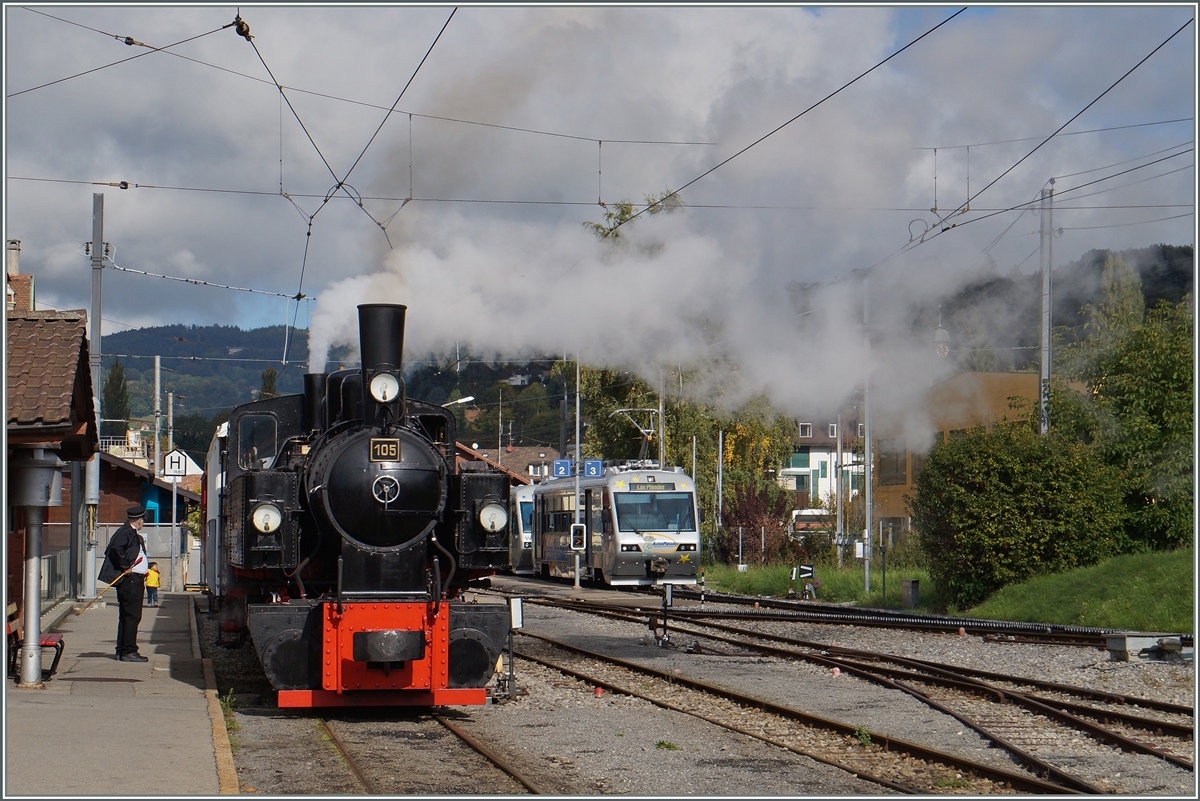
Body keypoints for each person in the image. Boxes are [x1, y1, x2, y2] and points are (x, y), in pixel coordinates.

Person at [98, 506, 150, 662]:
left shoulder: (129, 532)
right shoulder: (126, 532)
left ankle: (122, 649)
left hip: (134, 579)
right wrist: (125, 566)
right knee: (132, 616)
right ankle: (129, 651)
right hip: (131, 580)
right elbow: (115, 548)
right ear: (139, 520)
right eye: (142, 520)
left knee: (127, 616)